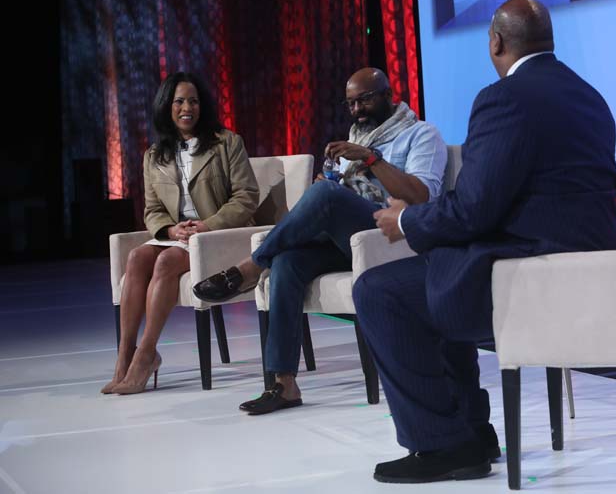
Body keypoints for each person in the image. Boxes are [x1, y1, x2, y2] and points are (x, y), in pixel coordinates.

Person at [352, 0, 616, 483]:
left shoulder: (505, 98)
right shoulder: (589, 95)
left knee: (379, 291)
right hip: (588, 268)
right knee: (438, 269)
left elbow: (474, 209)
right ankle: (472, 433)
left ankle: (443, 444)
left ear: (495, 42)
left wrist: (408, 221)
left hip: (535, 271)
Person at [193, 68, 448, 415]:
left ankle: (251, 266)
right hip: (348, 241)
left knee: (325, 196)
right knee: (287, 261)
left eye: (364, 100)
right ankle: (283, 384)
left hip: (391, 236)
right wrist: (331, 183)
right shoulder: (354, 139)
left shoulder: (421, 134)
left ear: (389, 96)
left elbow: (421, 197)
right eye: (350, 103)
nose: (356, 110)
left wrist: (370, 159)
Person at [102, 72, 259, 395]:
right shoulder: (154, 156)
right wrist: (171, 229)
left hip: (217, 235)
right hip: (178, 236)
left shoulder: (227, 143)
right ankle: (125, 355)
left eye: (193, 101)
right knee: (137, 257)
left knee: (166, 262)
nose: (187, 108)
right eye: (179, 102)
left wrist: (208, 224)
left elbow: (246, 197)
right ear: (167, 106)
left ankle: (147, 354)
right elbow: (152, 210)